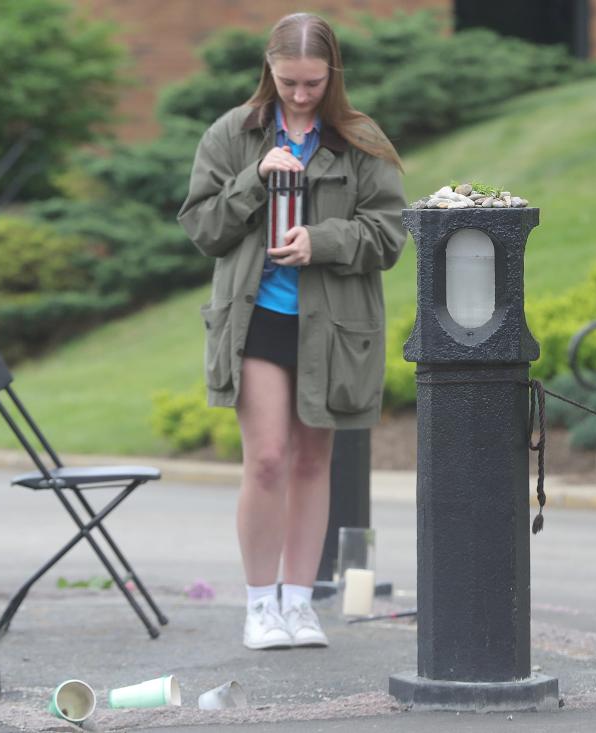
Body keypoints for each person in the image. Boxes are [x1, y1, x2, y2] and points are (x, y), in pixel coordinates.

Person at [177, 12, 406, 651]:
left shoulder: (360, 140)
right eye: (288, 83)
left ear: (332, 75)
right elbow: (203, 229)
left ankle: (300, 604)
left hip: (332, 326)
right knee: (270, 459)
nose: (300, 95)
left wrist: (323, 241)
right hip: (256, 321)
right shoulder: (234, 133)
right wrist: (254, 180)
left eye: (311, 83)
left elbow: (389, 234)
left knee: (312, 461)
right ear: (269, 72)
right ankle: (259, 607)